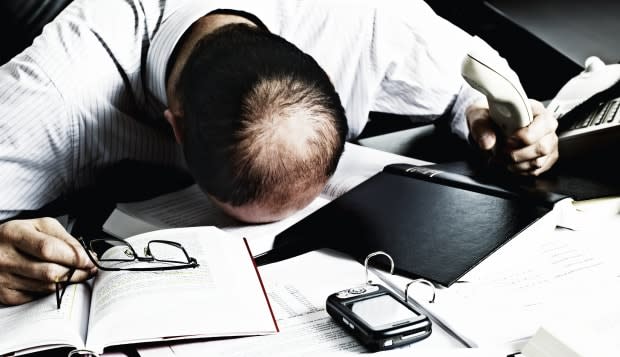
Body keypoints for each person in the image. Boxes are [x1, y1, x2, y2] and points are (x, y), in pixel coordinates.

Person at [0, 0, 559, 305]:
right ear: (176, 129)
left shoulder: (357, 19)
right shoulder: (55, 91)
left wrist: (505, 126)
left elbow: (476, 82)